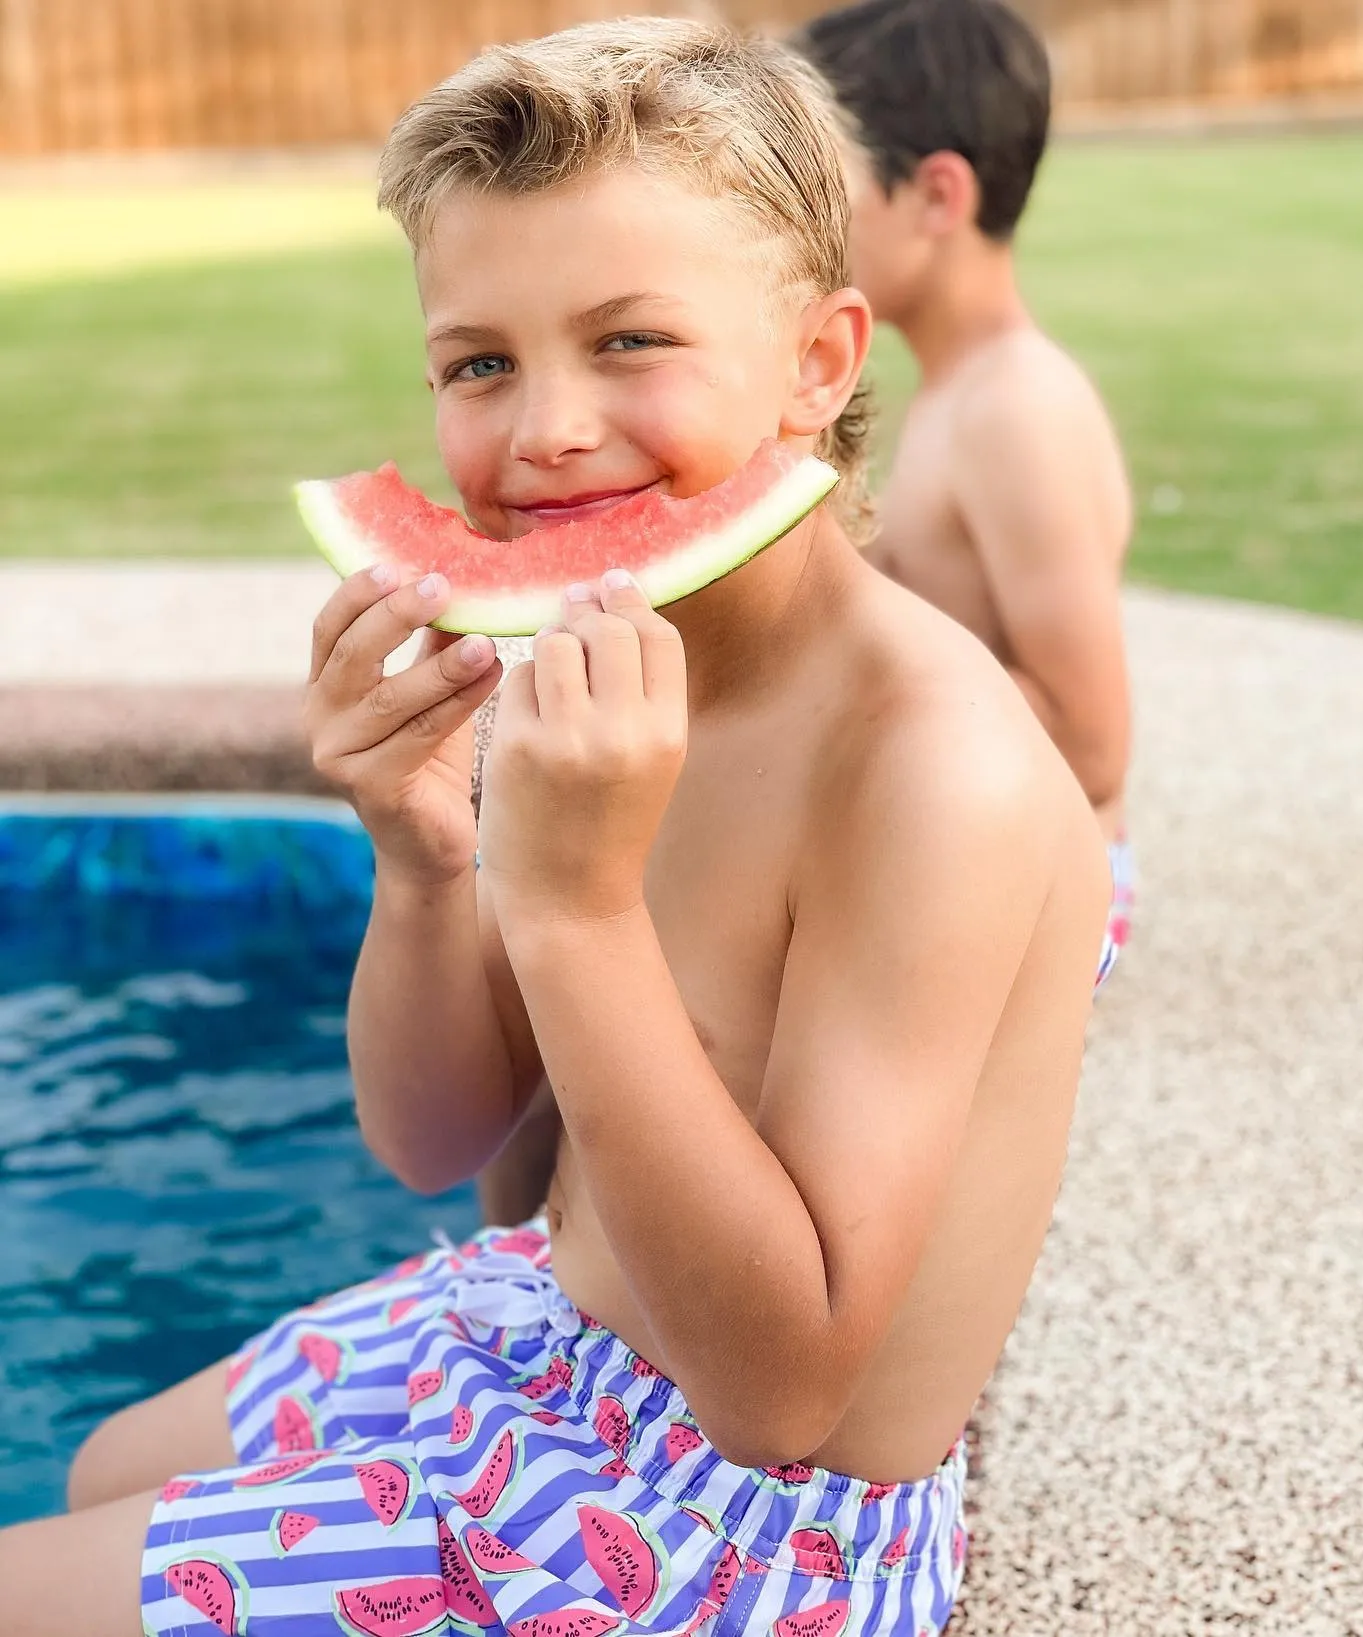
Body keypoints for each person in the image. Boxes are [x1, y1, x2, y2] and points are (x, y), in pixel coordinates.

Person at [0, 19, 1111, 1635]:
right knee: (104, 1456)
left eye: (631, 341)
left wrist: (581, 909)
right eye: (481, 363)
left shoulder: (930, 768)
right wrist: (425, 854)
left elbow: (783, 1389)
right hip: (547, 1332)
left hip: (732, 1534)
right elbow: (437, 1143)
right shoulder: (588, 659)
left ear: (819, 362)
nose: (547, 435)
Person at [797, 0, 1136, 986]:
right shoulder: (957, 389)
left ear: (937, 195)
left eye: (826, 192)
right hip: (975, 833)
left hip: (1052, 894)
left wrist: (847, 669)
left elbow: (1092, 740)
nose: (798, 229)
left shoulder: (1015, 410)